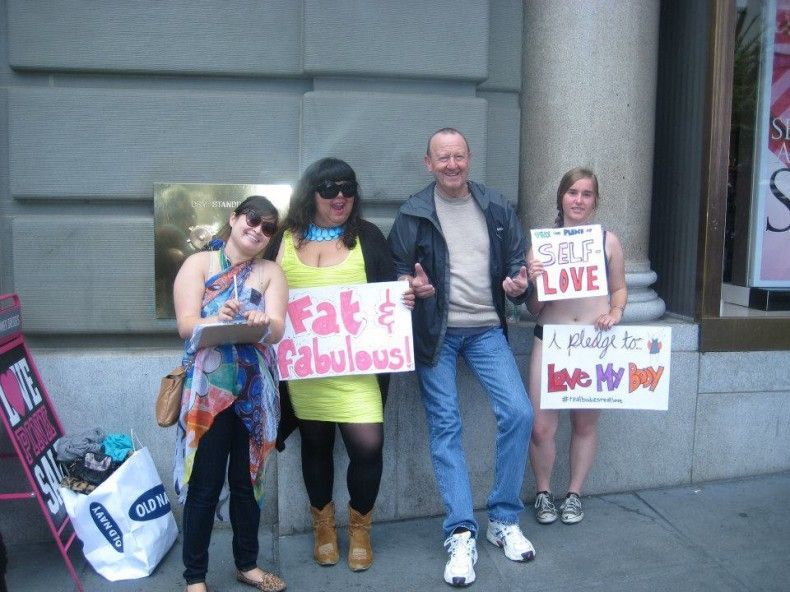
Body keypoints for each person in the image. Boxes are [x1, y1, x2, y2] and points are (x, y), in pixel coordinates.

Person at [388, 128, 535, 587]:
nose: (452, 164)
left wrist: (517, 285)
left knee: (519, 411)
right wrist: (412, 289)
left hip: (488, 329)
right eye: (442, 157)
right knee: (446, 426)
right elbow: (396, 275)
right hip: (438, 334)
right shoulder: (413, 213)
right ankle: (460, 531)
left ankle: (504, 519)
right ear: (427, 163)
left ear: (469, 159)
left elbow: (516, 265)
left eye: (459, 156)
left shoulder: (495, 207)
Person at [266, 157, 412, 572]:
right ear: (310, 192)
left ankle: (360, 528)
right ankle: (324, 527)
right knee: (314, 445)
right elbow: (255, 282)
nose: (340, 197)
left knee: (368, 447)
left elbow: (391, 290)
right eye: (329, 188)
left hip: (357, 371)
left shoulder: (366, 236)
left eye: (348, 188)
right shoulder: (283, 239)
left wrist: (404, 294)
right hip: (305, 371)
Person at [172, 195, 288, 592]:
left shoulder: (271, 271)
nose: (257, 230)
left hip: (254, 392)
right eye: (252, 219)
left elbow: (277, 329)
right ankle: (195, 578)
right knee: (204, 485)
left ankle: (247, 564)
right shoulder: (199, 264)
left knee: (247, 481)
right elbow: (186, 326)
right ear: (234, 218)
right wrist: (214, 316)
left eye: (268, 227)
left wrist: (262, 320)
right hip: (209, 392)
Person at [526, 167, 627, 526]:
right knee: (540, 426)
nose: (578, 200)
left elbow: (619, 289)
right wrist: (534, 281)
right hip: (550, 339)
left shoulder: (607, 241)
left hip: (590, 343)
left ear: (595, 200)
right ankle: (542, 492)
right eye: (572, 193)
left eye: (586, 194)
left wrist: (615, 312)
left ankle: (573, 493)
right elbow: (533, 308)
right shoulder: (542, 246)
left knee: (584, 424)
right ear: (561, 198)